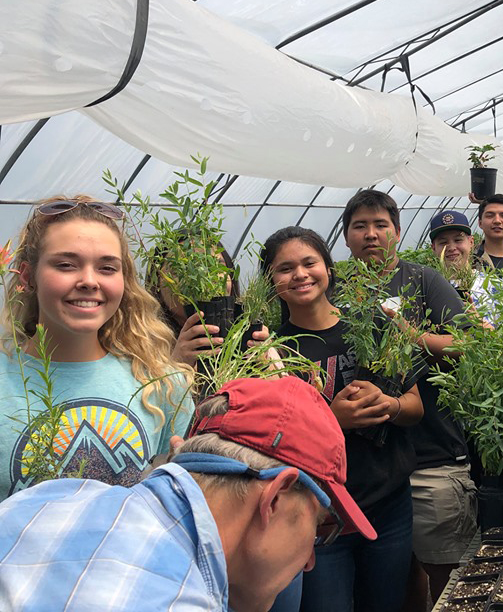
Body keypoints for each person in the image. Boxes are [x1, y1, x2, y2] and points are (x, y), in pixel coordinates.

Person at [0, 375, 375, 612]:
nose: (310, 560)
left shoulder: (51, 497)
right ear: (275, 497)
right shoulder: (178, 600)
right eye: (318, 528)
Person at [262, 226, 423, 612]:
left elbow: (416, 408)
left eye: (308, 263)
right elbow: (273, 443)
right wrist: (332, 419)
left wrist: (389, 404)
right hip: (319, 517)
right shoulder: (271, 351)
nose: (299, 274)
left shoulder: (373, 326)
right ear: (270, 281)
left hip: (388, 505)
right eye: (284, 269)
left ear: (329, 269)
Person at [0, 196, 193, 499]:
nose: (89, 281)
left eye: (106, 268)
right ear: (27, 276)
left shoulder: (163, 385)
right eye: (66, 265)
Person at [341, 190, 476, 609]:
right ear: (346, 237)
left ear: (397, 233)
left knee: (443, 573)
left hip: (429, 451)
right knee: (397, 576)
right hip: (368, 467)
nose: (371, 234)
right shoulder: (337, 287)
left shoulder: (422, 280)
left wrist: (411, 334)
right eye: (360, 226)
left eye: (381, 225)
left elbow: (467, 343)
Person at [428, 210, 495, 326]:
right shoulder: (429, 290)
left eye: (458, 240)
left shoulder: (494, 286)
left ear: (471, 242)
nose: (451, 247)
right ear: (433, 248)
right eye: (443, 242)